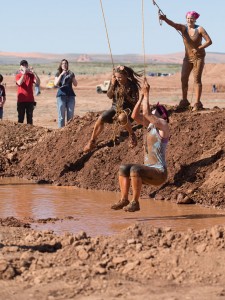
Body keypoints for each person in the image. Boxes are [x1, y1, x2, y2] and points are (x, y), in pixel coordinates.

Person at [111, 78, 170, 212]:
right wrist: (141, 97)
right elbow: (135, 115)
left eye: (156, 110)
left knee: (135, 169)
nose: (153, 110)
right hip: (148, 171)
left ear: (162, 116)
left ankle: (135, 202)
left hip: (159, 173)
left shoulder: (163, 126)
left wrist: (147, 93)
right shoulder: (150, 126)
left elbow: (147, 113)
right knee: (124, 168)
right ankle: (124, 199)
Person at [159, 11, 212, 111]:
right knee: (183, 78)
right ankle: (184, 100)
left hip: (199, 57)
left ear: (195, 19)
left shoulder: (200, 29)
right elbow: (174, 24)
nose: (189, 20)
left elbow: (209, 41)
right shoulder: (183, 28)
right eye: (187, 18)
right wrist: (165, 19)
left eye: (191, 18)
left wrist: (199, 48)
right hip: (187, 58)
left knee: (197, 79)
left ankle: (197, 102)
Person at [83, 65, 142, 153]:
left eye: (120, 77)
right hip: (115, 108)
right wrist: (113, 84)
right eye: (116, 77)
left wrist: (125, 94)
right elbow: (109, 96)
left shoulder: (132, 86)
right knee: (101, 118)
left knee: (121, 118)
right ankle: (92, 141)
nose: (118, 79)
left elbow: (135, 102)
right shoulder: (114, 82)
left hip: (128, 109)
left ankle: (132, 135)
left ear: (126, 76)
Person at [54, 59, 78, 128]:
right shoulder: (58, 73)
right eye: (63, 63)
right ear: (61, 65)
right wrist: (61, 74)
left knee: (70, 117)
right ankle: (60, 132)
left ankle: (69, 133)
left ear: (67, 65)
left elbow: (75, 84)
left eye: (65, 63)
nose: (64, 65)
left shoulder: (71, 73)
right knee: (61, 117)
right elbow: (56, 83)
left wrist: (72, 76)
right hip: (61, 96)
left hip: (70, 96)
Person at [15, 60, 40, 124]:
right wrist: (23, 74)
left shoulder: (31, 75)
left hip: (30, 101)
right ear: (20, 67)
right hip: (21, 101)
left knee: (30, 119)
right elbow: (19, 83)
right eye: (23, 65)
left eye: (26, 64)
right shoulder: (18, 75)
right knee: (20, 119)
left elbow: (38, 82)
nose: (24, 66)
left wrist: (34, 73)